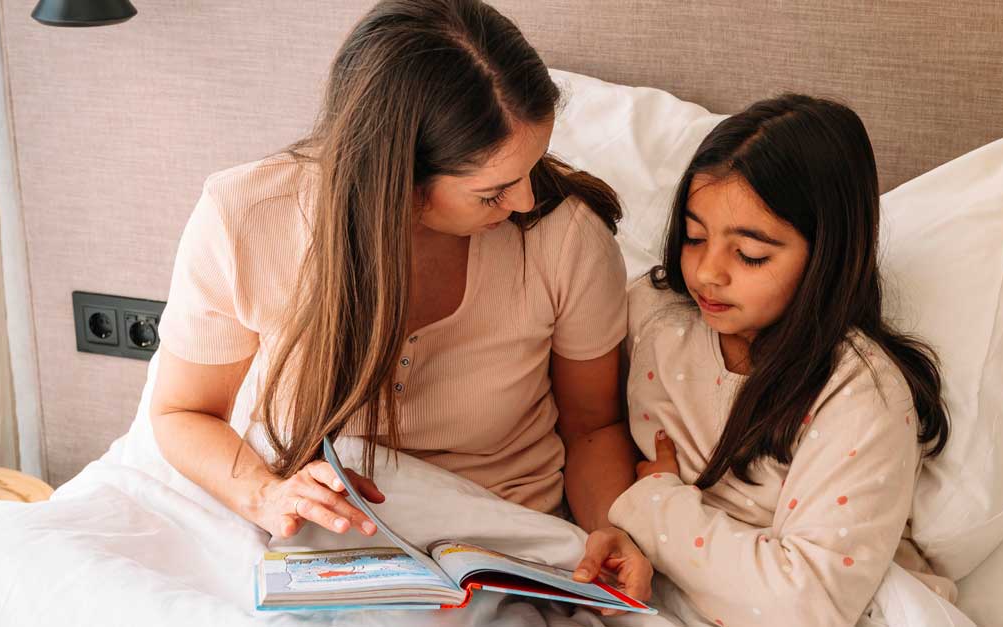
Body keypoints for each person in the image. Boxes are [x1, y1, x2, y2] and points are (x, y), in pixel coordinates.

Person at [148, 0, 651, 609]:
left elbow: (592, 426)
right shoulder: (244, 220)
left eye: (533, 166)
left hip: (505, 539)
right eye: (492, 191)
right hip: (335, 533)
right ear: (398, 179)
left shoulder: (565, 239)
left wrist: (608, 528)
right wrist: (267, 495)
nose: (525, 202)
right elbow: (182, 413)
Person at [608, 95, 955, 626]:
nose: (707, 273)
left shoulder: (861, 395)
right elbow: (585, 426)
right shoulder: (656, 317)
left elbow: (801, 605)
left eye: (750, 255)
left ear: (826, 255)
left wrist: (655, 502)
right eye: (695, 237)